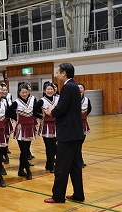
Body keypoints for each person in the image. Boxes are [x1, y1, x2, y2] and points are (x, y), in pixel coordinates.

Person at [44, 62, 85, 203]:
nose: (56, 74)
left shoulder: (68, 87)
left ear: (64, 73)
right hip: (75, 133)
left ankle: (58, 196)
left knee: (61, 166)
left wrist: (51, 112)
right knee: (75, 166)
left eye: (58, 72)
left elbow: (61, 109)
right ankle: (78, 194)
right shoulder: (73, 86)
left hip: (67, 134)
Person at [6, 84, 36, 180]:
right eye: (22, 92)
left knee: (26, 151)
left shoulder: (32, 100)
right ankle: (28, 170)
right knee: (23, 151)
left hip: (30, 128)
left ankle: (20, 169)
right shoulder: (16, 102)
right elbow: (8, 112)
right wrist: (16, 118)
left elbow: (35, 111)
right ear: (19, 93)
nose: (24, 94)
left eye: (26, 92)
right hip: (21, 129)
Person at [33, 82, 59, 173]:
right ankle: (50, 165)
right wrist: (41, 116)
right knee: (49, 147)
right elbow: (33, 110)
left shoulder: (58, 99)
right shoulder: (42, 100)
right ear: (44, 91)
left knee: (55, 146)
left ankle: (50, 163)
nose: (50, 91)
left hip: (56, 125)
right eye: (48, 89)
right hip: (46, 126)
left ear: (54, 90)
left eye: (51, 89)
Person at [78, 83, 92, 168]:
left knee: (80, 143)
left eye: (81, 88)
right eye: (78, 88)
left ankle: (79, 160)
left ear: (84, 90)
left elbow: (89, 109)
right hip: (75, 124)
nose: (79, 89)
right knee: (77, 144)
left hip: (83, 124)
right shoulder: (73, 99)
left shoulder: (87, 99)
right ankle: (79, 161)